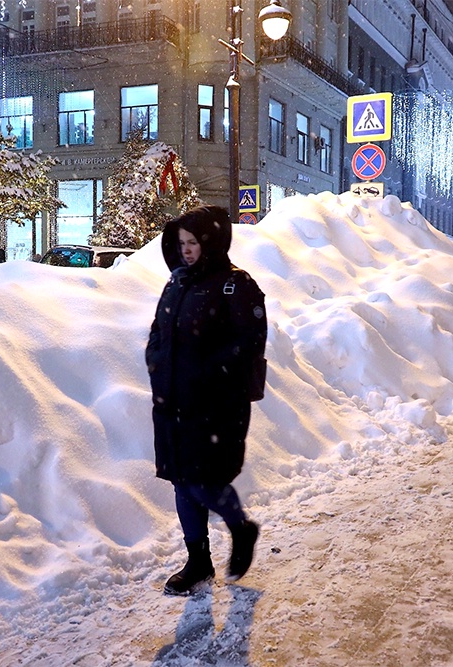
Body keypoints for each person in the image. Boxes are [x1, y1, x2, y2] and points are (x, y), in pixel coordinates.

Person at [145, 205, 267, 596]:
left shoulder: (236, 285)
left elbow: (247, 344)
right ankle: (198, 561)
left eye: (193, 242)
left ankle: (240, 527)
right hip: (172, 402)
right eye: (181, 243)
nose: (186, 250)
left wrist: (206, 376)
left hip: (215, 408)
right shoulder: (177, 283)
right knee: (181, 482)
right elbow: (157, 333)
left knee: (202, 482)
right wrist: (157, 364)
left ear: (211, 242)